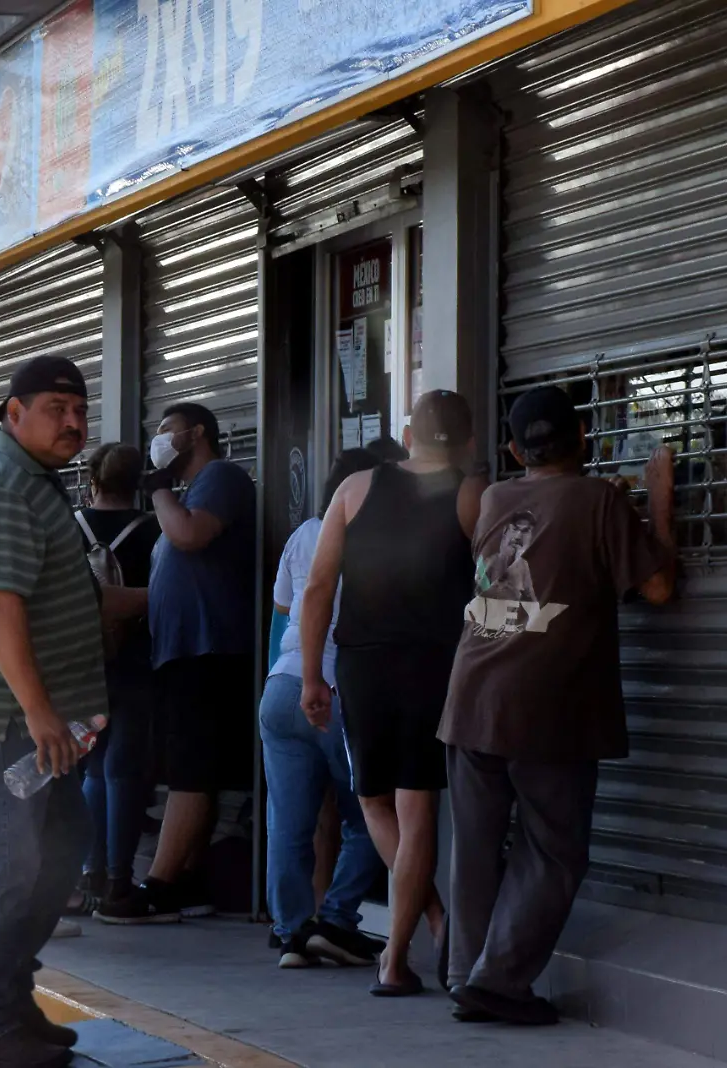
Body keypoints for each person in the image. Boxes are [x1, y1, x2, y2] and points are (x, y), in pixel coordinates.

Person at [440, 386, 677, 1026]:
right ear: (584, 438)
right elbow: (655, 587)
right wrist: (657, 499)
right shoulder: (599, 499)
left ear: (515, 450)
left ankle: (467, 974)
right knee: (552, 850)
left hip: (471, 696)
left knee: (476, 847)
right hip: (549, 703)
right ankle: (498, 982)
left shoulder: (493, 498)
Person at [0, 354, 108, 1068]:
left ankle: (8, 1001)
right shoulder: (5, 484)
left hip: (38, 723)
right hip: (2, 722)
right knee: (7, 871)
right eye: (56, 407)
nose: (73, 420)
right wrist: (37, 711)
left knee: (57, 854)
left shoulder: (31, 479)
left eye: (80, 409)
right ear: (14, 413)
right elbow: (0, 605)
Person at [300, 390, 487, 996]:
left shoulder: (354, 489)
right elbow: (500, 588)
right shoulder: (469, 494)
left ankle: (413, 941)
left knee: (376, 801)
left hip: (361, 665)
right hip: (433, 666)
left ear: (408, 437)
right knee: (414, 810)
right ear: (467, 441)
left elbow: (319, 586)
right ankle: (408, 946)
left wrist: (310, 674)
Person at [97, 401, 256, 924]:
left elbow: (190, 535)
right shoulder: (186, 497)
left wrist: (158, 486)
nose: (159, 439)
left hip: (208, 652)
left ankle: (160, 886)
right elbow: (168, 587)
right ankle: (186, 878)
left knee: (190, 773)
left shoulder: (220, 478)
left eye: (166, 431)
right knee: (192, 771)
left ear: (197, 433)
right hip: (180, 652)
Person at [262, 449, 387, 969]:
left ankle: (291, 934)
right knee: (371, 816)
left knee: (288, 824)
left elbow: (284, 610)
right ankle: (335, 919)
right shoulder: (378, 538)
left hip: (281, 689)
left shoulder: (303, 534)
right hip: (339, 690)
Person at [73, 443, 158, 913]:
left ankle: (89, 869)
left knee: (93, 766)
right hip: (135, 661)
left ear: (93, 481)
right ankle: (118, 880)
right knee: (122, 771)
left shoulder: (70, 526)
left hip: (82, 664)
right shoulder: (154, 531)